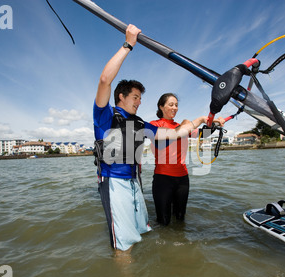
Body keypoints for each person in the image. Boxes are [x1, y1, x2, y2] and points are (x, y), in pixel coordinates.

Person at [93, 24, 219, 252]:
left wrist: (206, 121)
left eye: (140, 98)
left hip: (139, 181)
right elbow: (104, 80)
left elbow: (188, 135)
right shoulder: (106, 114)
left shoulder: (144, 124)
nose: (138, 101)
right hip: (122, 179)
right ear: (121, 96)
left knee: (146, 230)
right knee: (134, 237)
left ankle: (165, 260)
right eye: (135, 97)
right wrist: (128, 44)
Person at [150, 93, 200, 225]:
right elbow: (164, 140)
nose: (174, 108)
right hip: (163, 179)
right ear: (161, 106)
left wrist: (213, 123)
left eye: (176, 105)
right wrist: (185, 125)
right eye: (171, 104)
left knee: (180, 219)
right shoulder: (154, 125)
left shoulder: (182, 126)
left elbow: (201, 133)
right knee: (163, 222)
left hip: (183, 179)